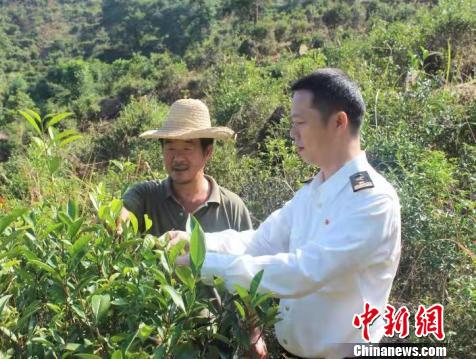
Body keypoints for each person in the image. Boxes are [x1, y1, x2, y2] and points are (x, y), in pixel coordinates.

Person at [168, 69, 402, 358]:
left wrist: (202, 264)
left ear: (339, 122)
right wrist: (196, 242)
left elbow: (304, 271)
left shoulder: (372, 200)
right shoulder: (312, 192)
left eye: (300, 123)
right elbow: (259, 243)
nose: (293, 133)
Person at [122, 98, 253, 237]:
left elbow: (248, 254)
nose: (178, 158)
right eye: (171, 148)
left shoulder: (231, 208)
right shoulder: (145, 196)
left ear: (207, 152)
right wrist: (118, 217)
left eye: (187, 149)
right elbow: (124, 209)